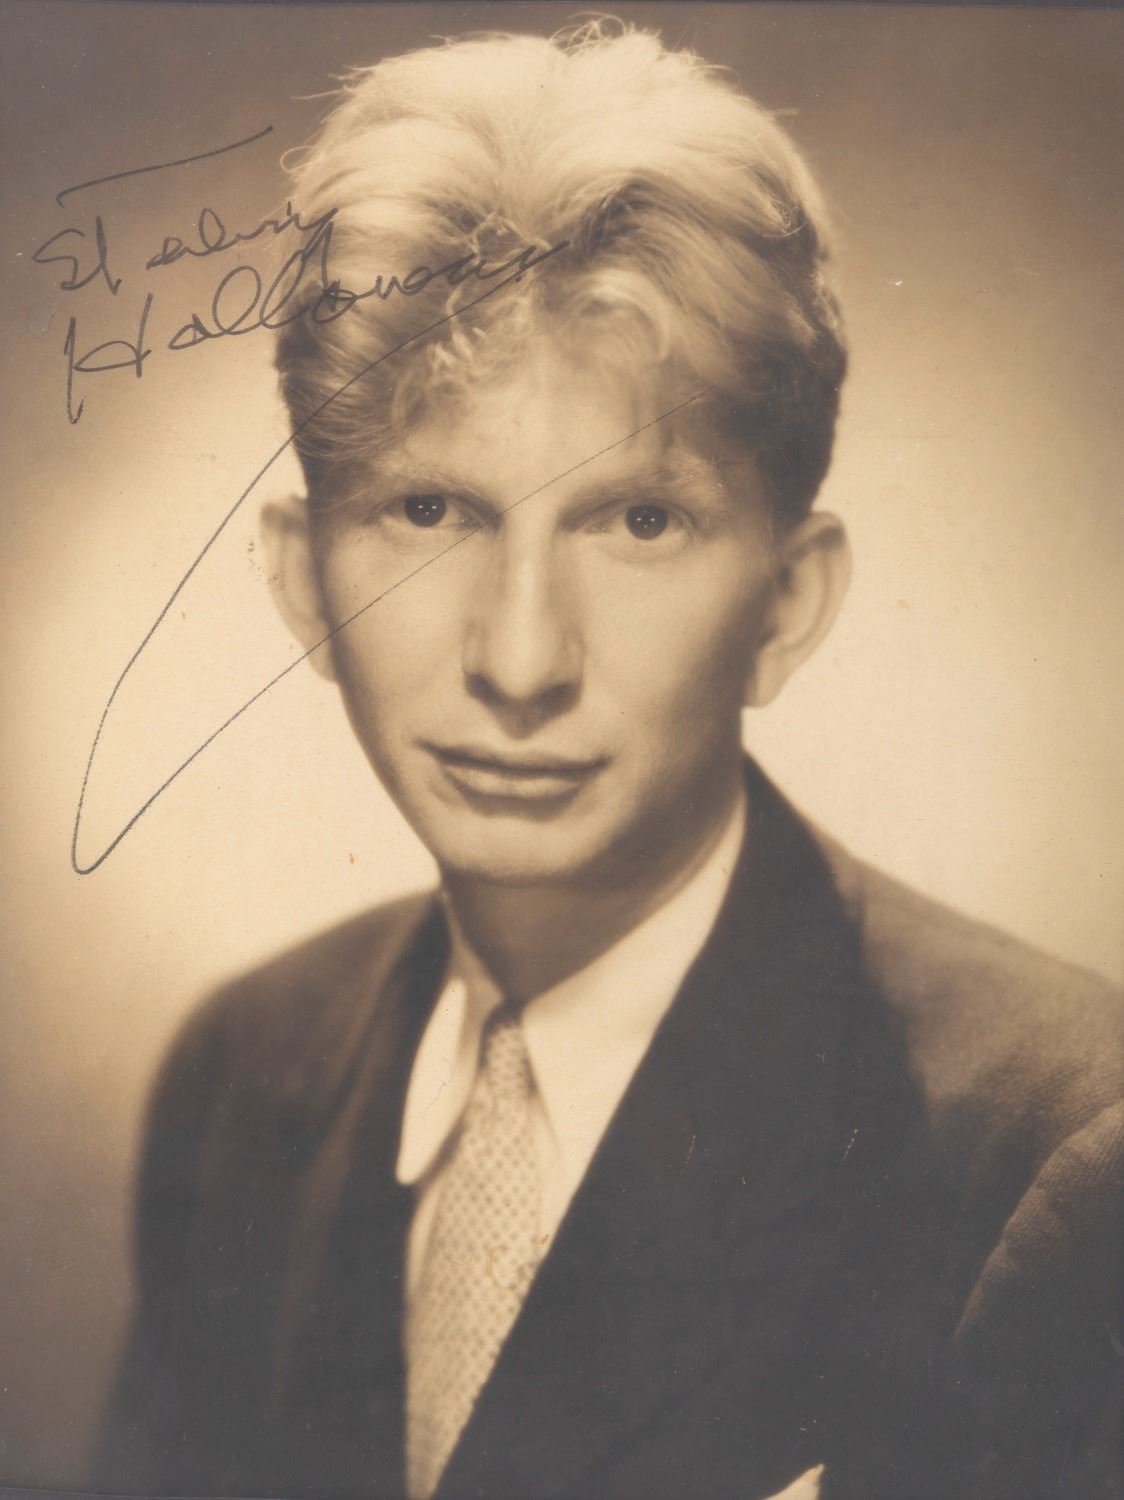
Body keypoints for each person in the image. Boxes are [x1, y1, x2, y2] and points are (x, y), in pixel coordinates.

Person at [95, 22, 1122, 1500]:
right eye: (430, 512)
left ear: (788, 604)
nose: (522, 662)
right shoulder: (241, 1074)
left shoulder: (1059, 1156)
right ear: (302, 582)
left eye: (641, 521)